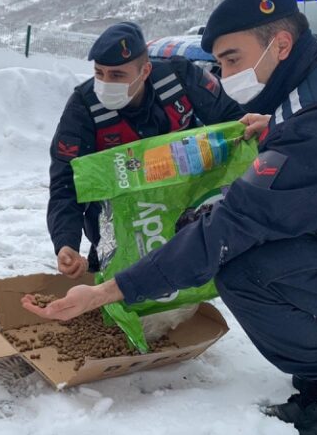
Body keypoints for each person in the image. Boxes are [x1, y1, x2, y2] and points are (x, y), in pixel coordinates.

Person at [26, 0, 317, 435]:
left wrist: (108, 292)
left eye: (232, 58)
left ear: (282, 44)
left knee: (242, 268)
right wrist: (279, 125)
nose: (223, 72)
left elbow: (230, 227)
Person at [47, 21, 253, 279]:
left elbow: (234, 121)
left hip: (185, 213)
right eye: (99, 73)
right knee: (115, 292)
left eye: (117, 75)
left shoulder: (180, 78)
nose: (105, 83)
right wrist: (66, 242)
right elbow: (66, 181)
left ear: (145, 71)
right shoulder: (84, 107)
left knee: (183, 286)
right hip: (118, 223)